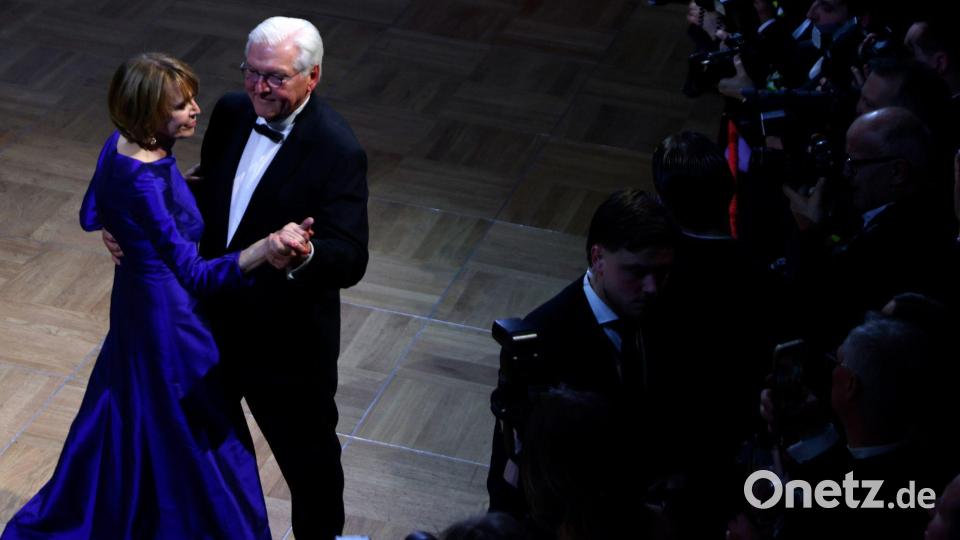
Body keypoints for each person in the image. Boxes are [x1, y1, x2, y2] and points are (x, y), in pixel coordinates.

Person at [1, 53, 312, 539]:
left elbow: (91, 212)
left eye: (192, 99)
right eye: (181, 105)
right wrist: (264, 249)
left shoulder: (119, 144)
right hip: (172, 319)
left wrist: (151, 205)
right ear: (148, 113)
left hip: (134, 304)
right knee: (198, 432)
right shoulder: (145, 181)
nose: (195, 110)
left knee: (138, 415)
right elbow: (197, 276)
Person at [110, 16, 369, 539]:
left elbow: (351, 256)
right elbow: (212, 196)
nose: (259, 87)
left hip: (284, 344)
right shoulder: (232, 111)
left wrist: (302, 255)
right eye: (251, 72)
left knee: (311, 469)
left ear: (313, 76)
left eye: (275, 77)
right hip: (205, 327)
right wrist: (135, 222)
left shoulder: (338, 149)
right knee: (192, 456)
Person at [487, 189, 679, 524]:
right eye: (636, 272)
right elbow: (510, 482)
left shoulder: (668, 310)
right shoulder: (542, 340)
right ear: (597, 258)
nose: (652, 288)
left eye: (661, 272)